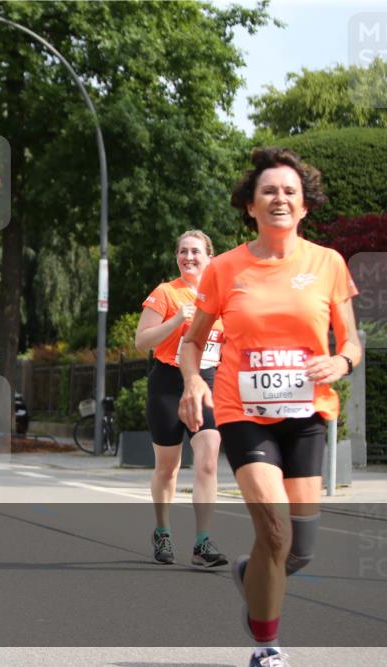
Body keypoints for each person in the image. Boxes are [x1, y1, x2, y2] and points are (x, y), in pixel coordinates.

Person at [179, 147, 361, 667]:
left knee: (296, 549)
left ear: (304, 207)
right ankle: (267, 646)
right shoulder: (224, 268)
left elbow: (350, 342)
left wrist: (342, 364)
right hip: (242, 412)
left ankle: (249, 573)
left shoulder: (328, 263)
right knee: (274, 532)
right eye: (268, 191)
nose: (279, 198)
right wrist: (193, 382)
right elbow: (193, 342)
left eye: (289, 192)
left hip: (306, 415)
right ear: (250, 206)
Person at [135, 230, 228, 567]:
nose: (189, 257)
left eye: (196, 252)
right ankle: (162, 530)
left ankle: (203, 541)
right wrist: (176, 319)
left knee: (207, 458)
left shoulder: (221, 297)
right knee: (168, 468)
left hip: (206, 382)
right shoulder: (165, 293)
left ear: (210, 257)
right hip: (168, 384)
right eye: (183, 252)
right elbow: (141, 343)